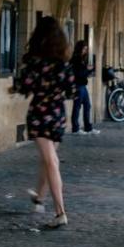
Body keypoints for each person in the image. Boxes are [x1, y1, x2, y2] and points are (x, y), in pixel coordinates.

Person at [13, 16, 76, 227]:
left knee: (50, 160)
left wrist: (17, 88)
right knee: (48, 158)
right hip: (57, 114)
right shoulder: (63, 64)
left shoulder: (34, 62)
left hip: (40, 114)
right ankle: (39, 198)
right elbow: (71, 91)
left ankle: (60, 212)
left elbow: (23, 86)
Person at [69, 40, 99, 135]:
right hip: (78, 85)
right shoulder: (75, 59)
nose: (86, 51)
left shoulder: (82, 59)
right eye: (84, 49)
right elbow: (78, 74)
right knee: (77, 106)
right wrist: (87, 70)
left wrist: (89, 71)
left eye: (86, 49)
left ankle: (88, 127)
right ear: (80, 49)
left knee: (87, 105)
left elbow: (83, 73)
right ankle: (75, 128)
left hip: (83, 85)